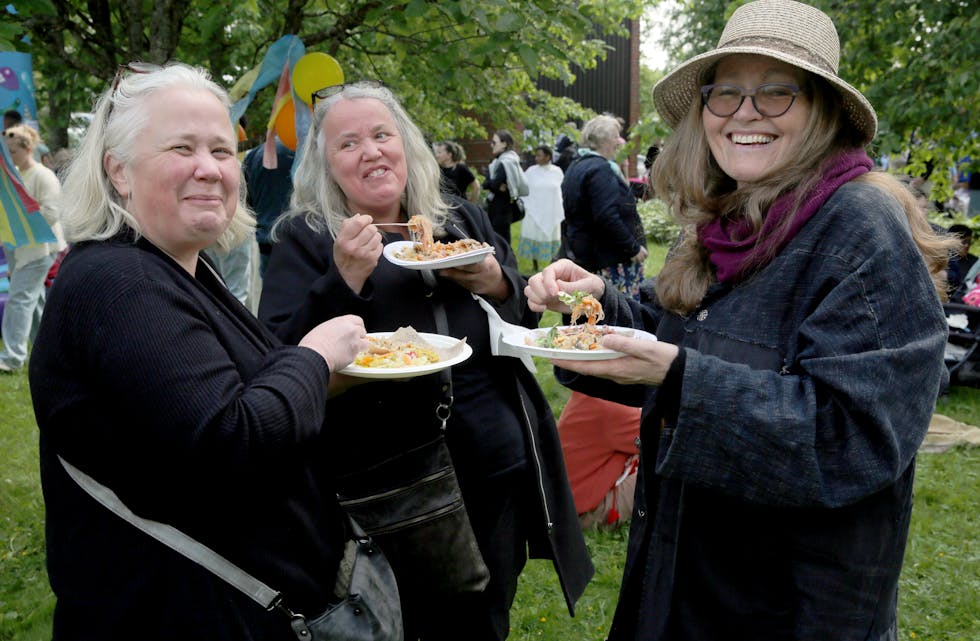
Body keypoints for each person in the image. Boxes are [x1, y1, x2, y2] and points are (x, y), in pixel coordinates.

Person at [525, 1, 957, 639]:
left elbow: (854, 438)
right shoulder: (723, 220)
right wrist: (600, 306)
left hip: (788, 604)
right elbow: (686, 332)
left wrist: (680, 378)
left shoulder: (861, 227)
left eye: (776, 93)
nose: (745, 113)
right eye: (726, 93)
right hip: (685, 577)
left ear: (824, 113)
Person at [29, 62, 379, 641]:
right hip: (171, 614)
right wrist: (316, 358)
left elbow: (237, 388)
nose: (209, 169)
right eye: (181, 147)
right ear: (118, 170)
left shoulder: (180, 267)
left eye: (221, 150)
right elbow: (234, 437)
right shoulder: (118, 283)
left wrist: (326, 372)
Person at [258, 81, 592, 641]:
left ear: (405, 144)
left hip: (492, 458)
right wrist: (342, 280)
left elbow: (522, 317)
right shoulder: (310, 237)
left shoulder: (458, 219)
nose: (370, 151)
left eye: (382, 134)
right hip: (390, 476)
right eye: (348, 143)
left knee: (488, 612)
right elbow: (284, 356)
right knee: (411, 620)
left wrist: (499, 282)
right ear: (326, 165)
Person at [0, 124, 66, 373]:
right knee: (33, 302)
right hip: (22, 250)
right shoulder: (16, 174)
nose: (9, 155)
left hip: (39, 251)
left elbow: (52, 212)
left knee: (19, 300)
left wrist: (23, 225)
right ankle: (45, 350)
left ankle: (13, 357)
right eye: (6, 151)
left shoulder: (43, 175)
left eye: (13, 151)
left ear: (28, 149)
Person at [561, 113, 647, 298]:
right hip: (609, 262)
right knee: (616, 320)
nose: (620, 141)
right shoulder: (599, 169)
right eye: (616, 136)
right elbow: (606, 216)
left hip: (587, 257)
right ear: (603, 139)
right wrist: (633, 247)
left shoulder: (576, 166)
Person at [242, 138, 294, 277]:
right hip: (299, 242)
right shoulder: (305, 153)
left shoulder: (255, 154)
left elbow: (246, 202)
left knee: (271, 294)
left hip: (266, 241)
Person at [516, 144, 564, 271]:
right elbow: (524, 188)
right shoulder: (531, 171)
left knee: (550, 236)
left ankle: (551, 264)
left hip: (550, 210)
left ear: (548, 156)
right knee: (535, 235)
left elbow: (560, 190)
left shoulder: (557, 171)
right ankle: (535, 264)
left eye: (539, 155)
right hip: (534, 209)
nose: (536, 158)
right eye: (536, 155)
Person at [481, 129, 527, 247]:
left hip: (502, 208)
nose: (491, 145)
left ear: (504, 144)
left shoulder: (506, 162)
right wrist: (494, 184)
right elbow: (486, 184)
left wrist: (493, 184)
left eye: (494, 142)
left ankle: (507, 265)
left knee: (501, 241)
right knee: (498, 240)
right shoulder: (499, 161)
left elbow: (493, 185)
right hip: (498, 207)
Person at [946, 223, 977, 301]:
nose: (967, 246)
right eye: (964, 242)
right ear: (952, 241)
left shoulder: (974, 262)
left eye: (969, 242)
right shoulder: (942, 258)